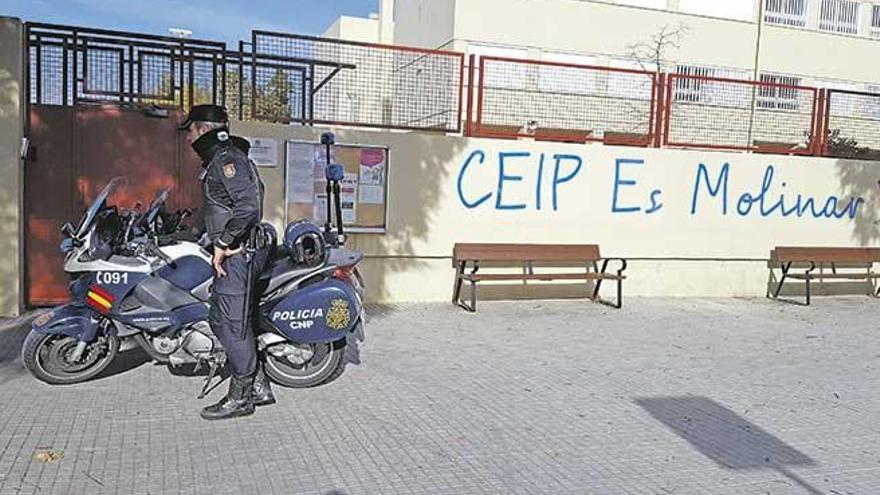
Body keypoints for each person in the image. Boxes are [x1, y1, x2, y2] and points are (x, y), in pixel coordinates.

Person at [180, 104, 275, 420]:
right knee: (226, 320)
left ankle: (241, 398)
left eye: (191, 130)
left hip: (238, 254)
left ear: (203, 129)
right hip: (235, 252)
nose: (188, 138)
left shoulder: (228, 159)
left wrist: (222, 243)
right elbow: (217, 207)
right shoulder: (219, 159)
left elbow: (248, 207)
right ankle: (259, 386)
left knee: (231, 326)